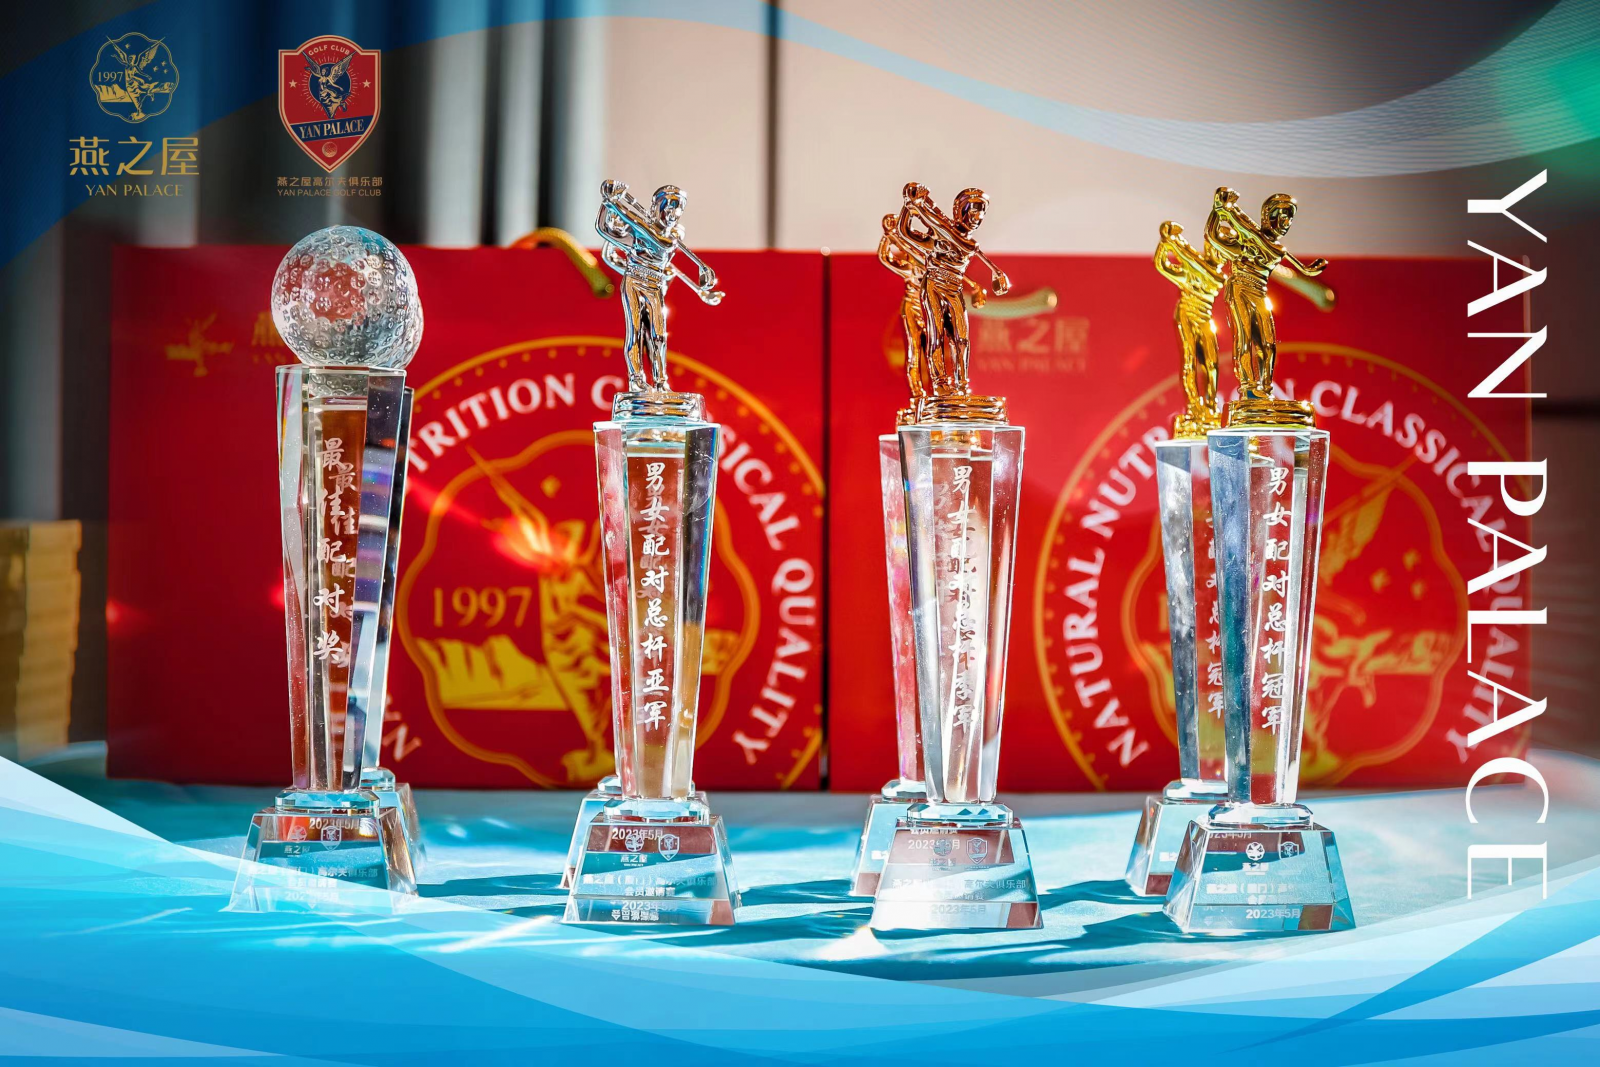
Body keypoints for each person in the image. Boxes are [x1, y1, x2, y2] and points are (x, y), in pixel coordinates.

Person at [595, 180, 723, 392]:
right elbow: (604, 230)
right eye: (669, 206)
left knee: (659, 336)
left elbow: (644, 229)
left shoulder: (672, 236)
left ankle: (661, 382)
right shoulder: (639, 235)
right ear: (656, 207)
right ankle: (636, 379)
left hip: (654, 286)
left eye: (678, 207)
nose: (674, 213)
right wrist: (607, 204)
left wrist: (614, 204)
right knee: (636, 332)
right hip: (634, 282)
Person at [1206, 188, 1328, 401]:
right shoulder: (1243, 248)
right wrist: (1218, 211)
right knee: (1244, 339)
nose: (1286, 223)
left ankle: (1265, 387)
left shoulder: (1275, 249)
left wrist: (1227, 209)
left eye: (1290, 218)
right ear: (1268, 216)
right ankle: (1248, 386)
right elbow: (1213, 236)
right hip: (1240, 289)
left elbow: (1250, 233)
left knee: (1268, 344)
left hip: (1259, 292)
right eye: (1282, 216)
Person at [894, 183, 1010, 396]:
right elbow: (903, 233)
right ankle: (939, 382)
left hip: (954, 289)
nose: (978, 218)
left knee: (961, 337)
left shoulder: (967, 244)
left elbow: (950, 235)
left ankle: (961, 384)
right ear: (961, 211)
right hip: (934, 286)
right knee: (936, 335)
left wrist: (919, 206)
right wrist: (908, 207)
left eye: (981, 214)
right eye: (973, 212)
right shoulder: (940, 237)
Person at [1153, 220, 1226, 434]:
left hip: (1204, 318)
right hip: (1185, 315)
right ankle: (1194, 407)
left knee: (1211, 364)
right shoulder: (1191, 268)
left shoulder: (1217, 276)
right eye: (1217, 249)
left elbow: (1198, 266)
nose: (1221, 255)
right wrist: (1165, 243)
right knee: (1189, 361)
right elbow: (1162, 265)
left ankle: (1210, 406)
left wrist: (1175, 242)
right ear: (1209, 248)